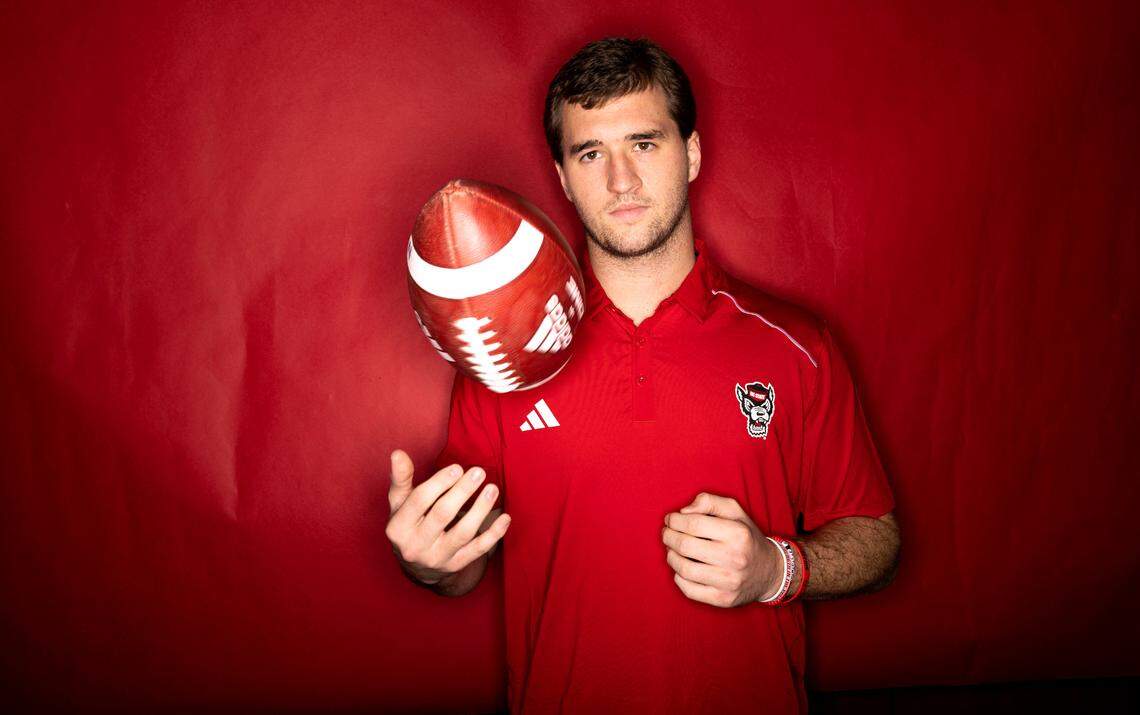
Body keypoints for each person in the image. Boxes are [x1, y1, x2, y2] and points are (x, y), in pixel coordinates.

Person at [386, 37, 900, 714]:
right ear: (563, 177)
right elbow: (466, 564)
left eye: (645, 144)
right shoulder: (505, 361)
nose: (620, 180)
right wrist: (430, 562)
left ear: (690, 153)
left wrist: (776, 569)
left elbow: (876, 537)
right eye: (590, 153)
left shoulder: (796, 346)